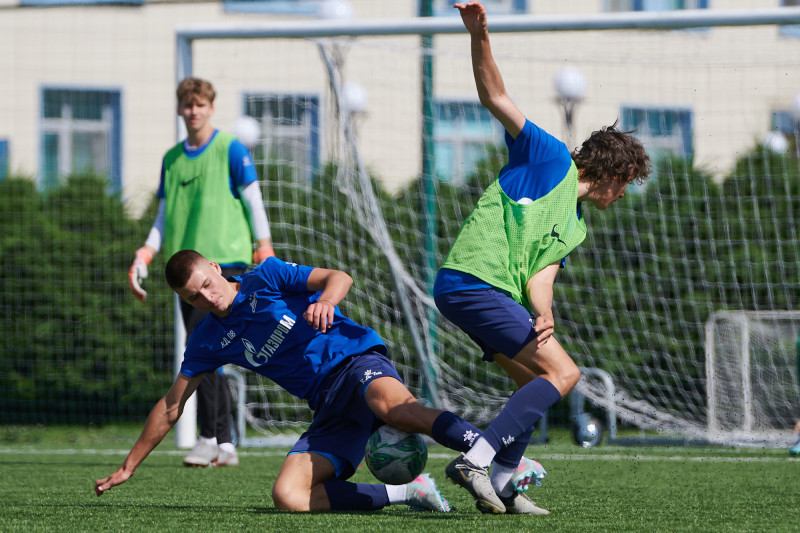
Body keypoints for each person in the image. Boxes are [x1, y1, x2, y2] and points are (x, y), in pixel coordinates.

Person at [98, 250, 543, 512]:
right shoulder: (207, 339)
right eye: (193, 296)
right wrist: (128, 466)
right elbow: (172, 405)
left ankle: (494, 457)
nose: (206, 297)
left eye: (206, 284)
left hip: (354, 361)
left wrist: (327, 300)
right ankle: (410, 490)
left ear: (215, 268)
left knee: (395, 410)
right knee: (288, 496)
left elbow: (338, 277)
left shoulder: (266, 277)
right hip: (327, 403)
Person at [436, 2, 651, 515]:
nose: (624, 196)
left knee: (536, 383)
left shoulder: (575, 225)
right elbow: (495, 95)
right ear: (613, 174)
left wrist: (545, 310)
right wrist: (480, 34)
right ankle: (478, 460)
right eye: (627, 185)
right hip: (471, 280)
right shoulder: (548, 156)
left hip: (484, 292)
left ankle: (506, 487)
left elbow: (541, 275)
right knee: (566, 375)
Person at [127, 77, 276, 468]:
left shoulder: (231, 149)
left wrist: (265, 246)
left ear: (211, 107)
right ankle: (223, 443)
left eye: (200, 104)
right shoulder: (171, 159)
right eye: (187, 105)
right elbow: (163, 215)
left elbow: (253, 201)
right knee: (210, 351)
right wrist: (145, 251)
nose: (193, 111)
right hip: (186, 272)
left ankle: (211, 437)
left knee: (204, 350)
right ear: (180, 109)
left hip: (222, 265)